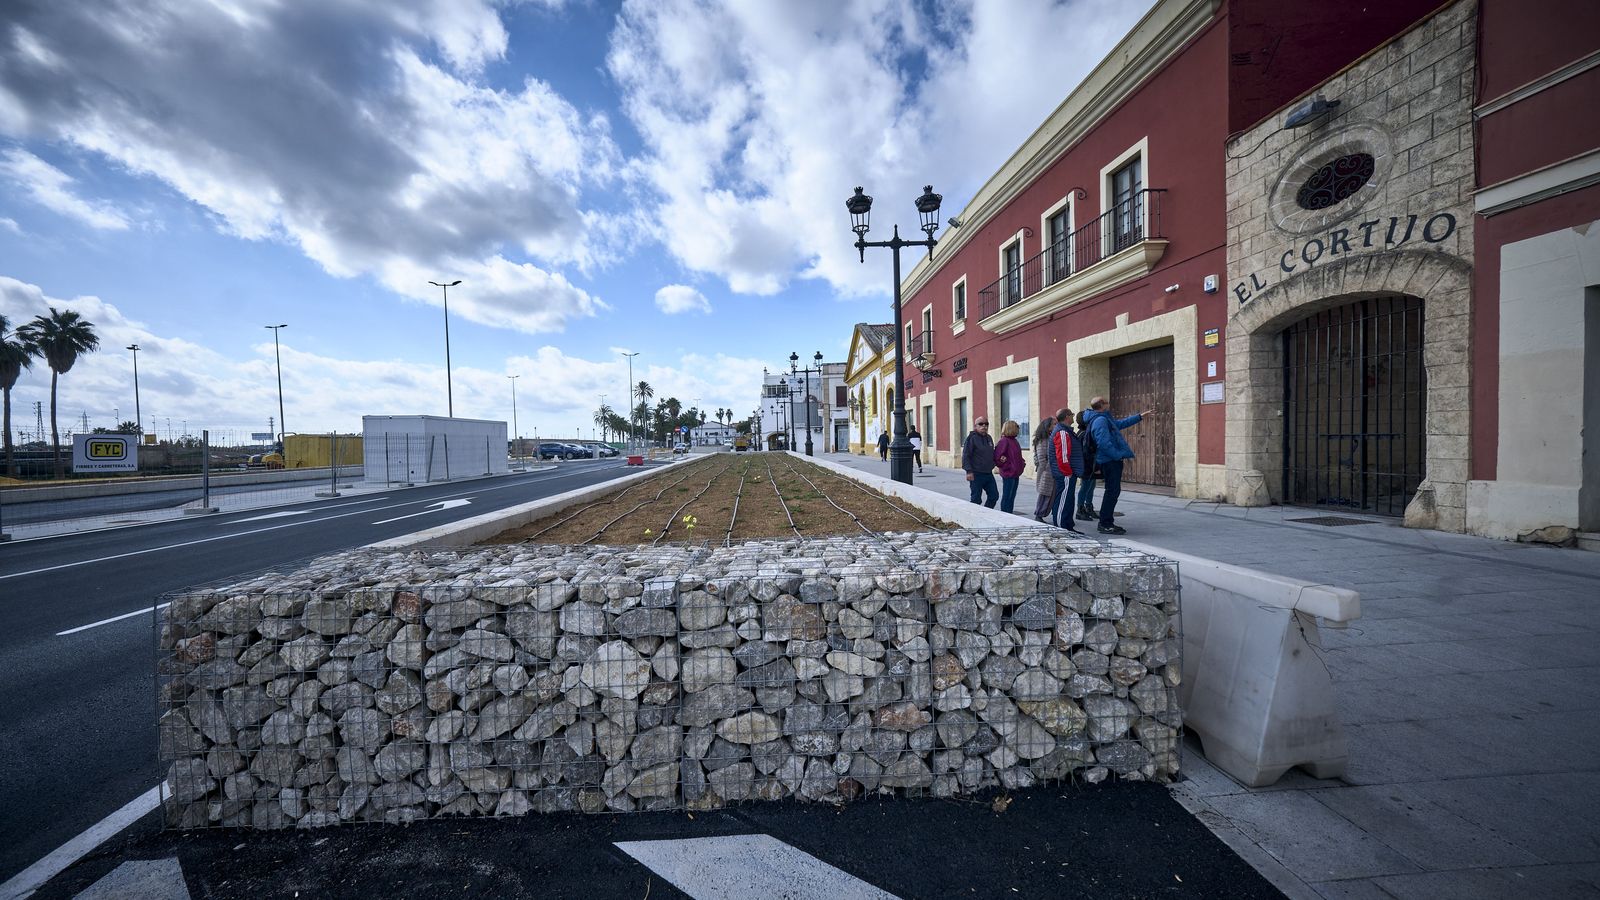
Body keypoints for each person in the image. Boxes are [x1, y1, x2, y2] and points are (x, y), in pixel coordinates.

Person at [1083, 395, 1153, 535]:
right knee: (1112, 491)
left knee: (1112, 491)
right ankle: (1105, 523)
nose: (1109, 403)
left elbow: (1119, 424)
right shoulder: (1101, 420)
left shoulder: (1103, 418)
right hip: (1109, 461)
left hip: (1109, 459)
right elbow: (1103, 442)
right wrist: (1117, 455)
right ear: (1102, 404)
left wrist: (1139, 416)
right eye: (1107, 402)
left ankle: (1106, 521)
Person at [1048, 408, 1082, 534]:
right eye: (1072, 415)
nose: (1073, 417)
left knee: (1068, 499)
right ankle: (1061, 528)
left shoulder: (1065, 431)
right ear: (1067, 416)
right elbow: (1062, 455)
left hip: (1066, 472)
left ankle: (1068, 527)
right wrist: (1067, 472)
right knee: (1063, 500)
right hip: (1064, 473)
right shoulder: (1062, 432)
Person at [961, 417, 998, 508]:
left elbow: (991, 453)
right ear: (975, 426)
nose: (984, 426)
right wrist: (969, 471)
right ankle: (972, 518)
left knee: (994, 496)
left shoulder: (989, 438)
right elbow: (966, 455)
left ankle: (985, 513)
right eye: (981, 424)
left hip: (988, 473)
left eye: (986, 424)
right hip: (976, 474)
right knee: (976, 499)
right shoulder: (971, 438)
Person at [994, 420, 1025, 513]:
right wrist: (1007, 466)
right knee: (1007, 495)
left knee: (1012, 495)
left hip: (1015, 473)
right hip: (1009, 473)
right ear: (1011, 428)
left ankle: (1009, 513)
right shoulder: (1004, 441)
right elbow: (997, 457)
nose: (1018, 429)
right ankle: (1005, 513)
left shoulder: (1014, 441)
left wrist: (1022, 463)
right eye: (1016, 426)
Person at [1074, 409, 1098, 522]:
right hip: (1086, 465)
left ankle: (1088, 507)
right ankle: (1080, 509)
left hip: (1089, 464)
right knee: (1085, 487)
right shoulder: (1083, 434)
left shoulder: (1085, 432)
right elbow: (1085, 451)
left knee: (1091, 486)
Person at [1029, 420, 1057, 522]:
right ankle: (1039, 514)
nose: (1056, 425)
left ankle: (1042, 514)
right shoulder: (1044, 440)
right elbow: (1042, 458)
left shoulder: (1049, 438)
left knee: (1049, 494)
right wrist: (1047, 469)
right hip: (1047, 473)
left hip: (1050, 471)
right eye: (1054, 424)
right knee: (1045, 494)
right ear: (1047, 427)